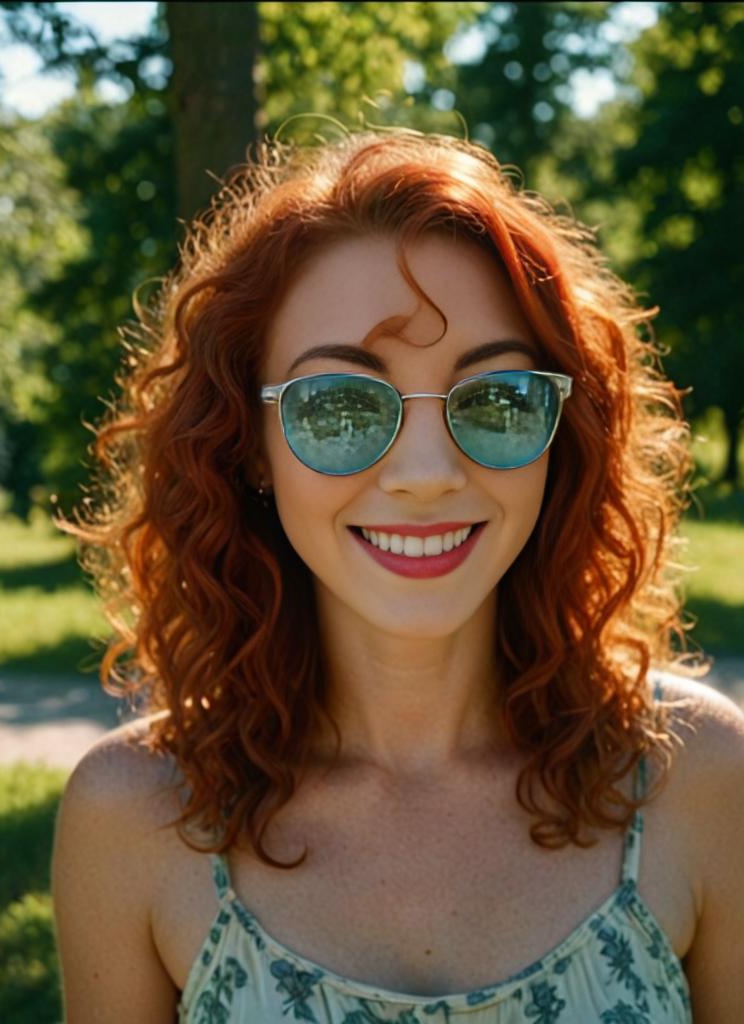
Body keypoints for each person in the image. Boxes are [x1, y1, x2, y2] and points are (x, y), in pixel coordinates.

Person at [51, 127, 744, 1023]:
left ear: (557, 437)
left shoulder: (699, 779)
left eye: (493, 397)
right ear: (250, 447)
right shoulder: (132, 817)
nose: (428, 471)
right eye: (339, 404)